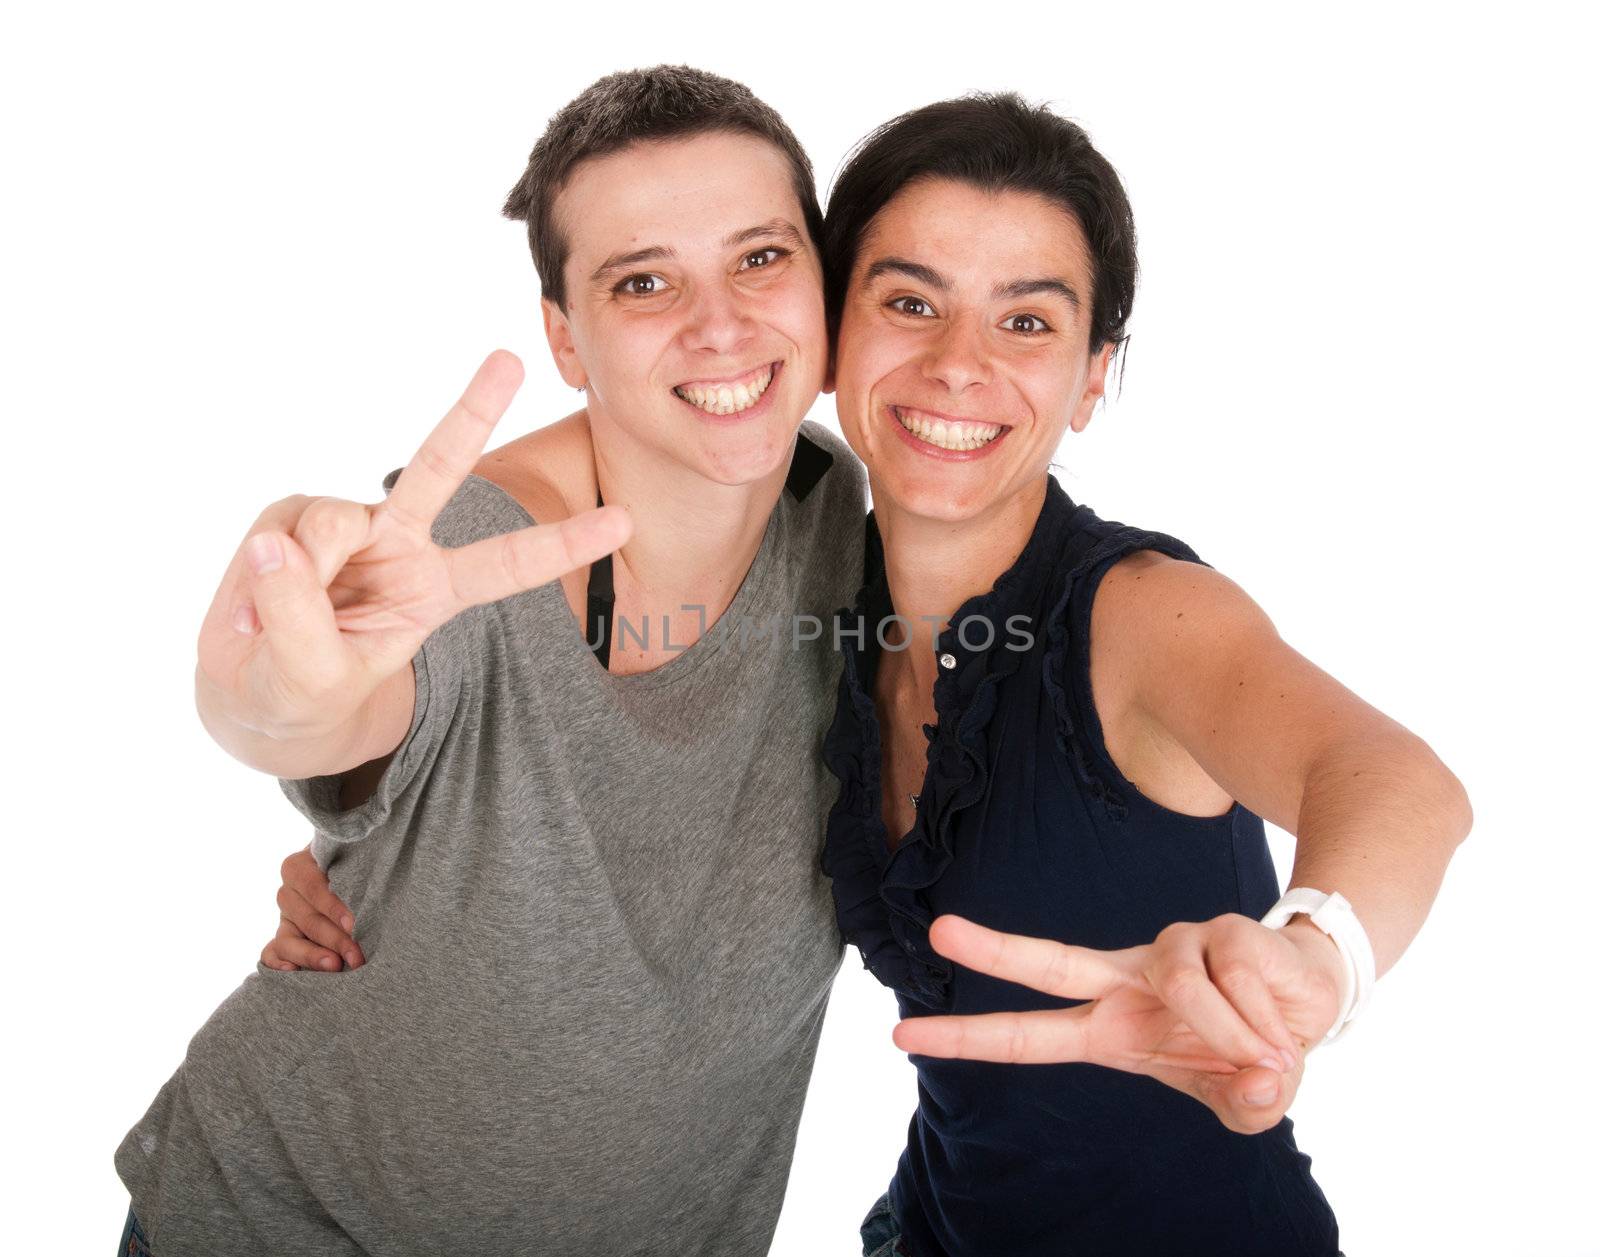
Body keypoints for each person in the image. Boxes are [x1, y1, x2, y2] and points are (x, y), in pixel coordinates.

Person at [114, 65, 866, 1254]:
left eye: (760, 258)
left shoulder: (837, 502)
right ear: (566, 339)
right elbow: (326, 711)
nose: (719, 324)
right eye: (643, 280)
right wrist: (277, 703)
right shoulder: (464, 562)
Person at [815, 95, 1471, 1256]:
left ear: (1093, 373)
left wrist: (1311, 961)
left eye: (1027, 324)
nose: (957, 366)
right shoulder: (814, 589)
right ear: (832, 331)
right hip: (929, 1228)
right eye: (910, 303)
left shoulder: (1139, 614)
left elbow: (1388, 775)